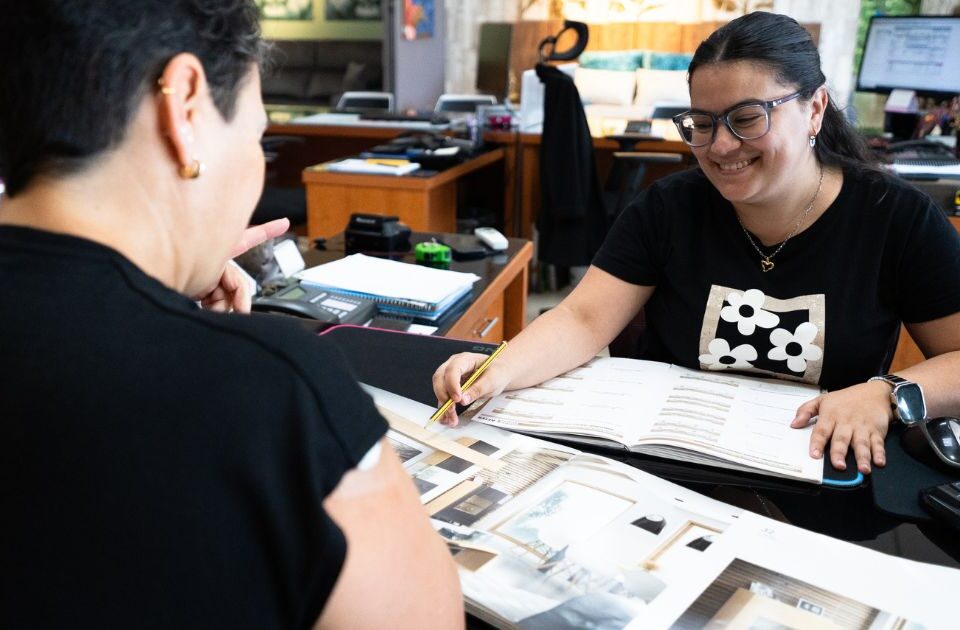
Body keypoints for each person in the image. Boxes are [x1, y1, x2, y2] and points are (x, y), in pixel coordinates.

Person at [0, 1, 462, 628]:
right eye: (257, 136)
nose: (256, 162)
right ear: (184, 103)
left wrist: (161, 298)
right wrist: (225, 356)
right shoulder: (274, 392)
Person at [434, 13, 960, 483]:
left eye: (747, 118)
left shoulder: (896, 218)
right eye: (701, 124)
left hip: (821, 473)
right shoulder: (669, 206)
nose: (721, 146)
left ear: (815, 109)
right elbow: (582, 319)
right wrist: (497, 370)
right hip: (671, 468)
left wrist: (889, 393)